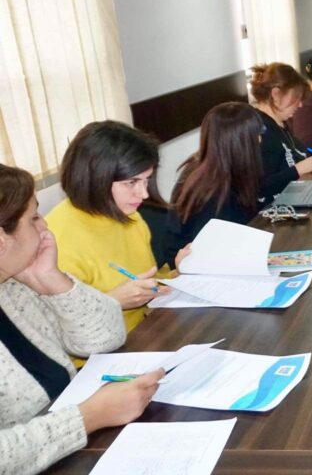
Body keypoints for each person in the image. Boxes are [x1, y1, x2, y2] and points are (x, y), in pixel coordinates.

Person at [0, 163, 163, 474]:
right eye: (33, 218)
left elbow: (105, 337)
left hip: (70, 453)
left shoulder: (13, 285)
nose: (44, 225)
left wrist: (52, 278)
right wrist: (89, 416)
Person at [46, 121, 181, 332]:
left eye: (146, 180)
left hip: (146, 330)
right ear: (96, 178)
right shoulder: (55, 241)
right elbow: (61, 329)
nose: (144, 194)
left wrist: (178, 276)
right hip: (103, 345)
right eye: (131, 182)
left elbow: (149, 284)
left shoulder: (129, 215)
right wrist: (113, 302)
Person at [166, 103, 264, 260]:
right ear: (240, 143)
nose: (259, 140)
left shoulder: (207, 168)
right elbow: (208, 253)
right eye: (256, 135)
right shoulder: (213, 192)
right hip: (197, 265)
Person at [249, 62, 312, 205]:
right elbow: (260, 187)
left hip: (293, 196)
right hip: (274, 208)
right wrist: (302, 167)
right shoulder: (260, 131)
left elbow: (299, 152)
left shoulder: (280, 123)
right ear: (276, 94)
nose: (300, 105)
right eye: (296, 98)